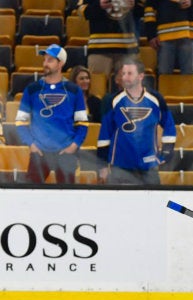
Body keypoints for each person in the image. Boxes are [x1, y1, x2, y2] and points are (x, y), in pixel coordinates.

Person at [15, 44, 88, 185]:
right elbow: (20, 122)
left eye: (50, 60)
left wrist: (73, 146)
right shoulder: (32, 89)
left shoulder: (74, 91)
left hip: (66, 153)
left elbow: (82, 123)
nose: (45, 64)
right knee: (31, 197)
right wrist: (31, 145)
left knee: (67, 198)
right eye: (44, 60)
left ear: (60, 63)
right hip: (39, 153)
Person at [97, 57, 176, 185]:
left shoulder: (155, 99)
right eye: (123, 73)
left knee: (152, 203)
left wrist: (166, 153)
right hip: (120, 166)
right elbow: (104, 135)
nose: (125, 77)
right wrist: (102, 166)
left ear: (140, 76)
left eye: (129, 73)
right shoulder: (112, 100)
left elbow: (169, 126)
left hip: (148, 166)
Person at [83, 0, 143, 78]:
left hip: (127, 49)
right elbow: (81, 11)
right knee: (97, 86)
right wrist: (98, 5)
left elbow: (146, 10)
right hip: (98, 48)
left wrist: (134, 6)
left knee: (129, 86)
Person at [143, 0, 193, 75]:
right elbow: (149, 10)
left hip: (187, 33)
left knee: (188, 74)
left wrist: (192, 2)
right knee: (164, 75)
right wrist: (151, 35)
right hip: (165, 35)